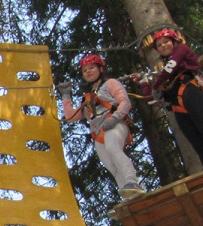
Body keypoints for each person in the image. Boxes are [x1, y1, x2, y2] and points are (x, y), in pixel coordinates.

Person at [59, 53, 145, 201]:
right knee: (111, 165)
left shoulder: (110, 83)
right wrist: (66, 96)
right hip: (99, 135)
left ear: (101, 69)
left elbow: (125, 102)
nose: (88, 72)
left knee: (113, 149)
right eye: (85, 70)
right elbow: (71, 117)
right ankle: (130, 198)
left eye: (91, 68)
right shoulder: (88, 98)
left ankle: (132, 182)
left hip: (114, 124)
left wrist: (115, 118)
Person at [147, 28, 203, 169]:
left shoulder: (181, 50)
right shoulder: (166, 66)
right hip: (177, 103)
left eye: (166, 42)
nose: (163, 46)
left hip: (191, 91)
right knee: (196, 141)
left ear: (174, 42)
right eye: (159, 45)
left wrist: (155, 85)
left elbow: (170, 69)